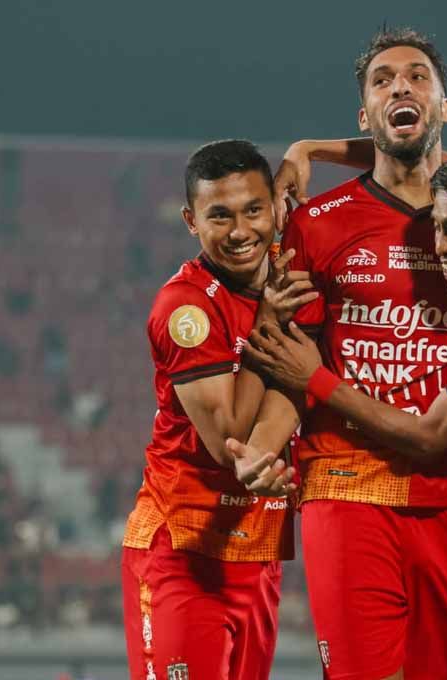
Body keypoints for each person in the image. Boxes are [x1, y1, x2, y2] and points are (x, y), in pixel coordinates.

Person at [234, 29, 447, 680]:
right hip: (345, 490)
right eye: (384, 80)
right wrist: (262, 446)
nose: (401, 86)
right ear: (365, 115)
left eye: (418, 77)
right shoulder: (317, 223)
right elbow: (293, 365)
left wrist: (310, 148)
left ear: (445, 108)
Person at [119, 140, 313, 680]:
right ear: (191, 221)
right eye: (219, 216)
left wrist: (309, 148)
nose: (240, 231)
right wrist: (268, 324)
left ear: (276, 205)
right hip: (185, 552)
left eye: (254, 209)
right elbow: (228, 439)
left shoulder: (291, 271)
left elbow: (409, 159)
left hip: (259, 554)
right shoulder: (186, 309)